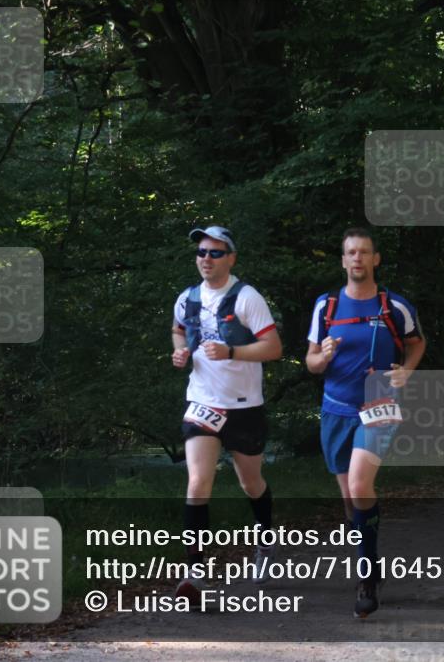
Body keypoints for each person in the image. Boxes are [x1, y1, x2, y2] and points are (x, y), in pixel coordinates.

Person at [305, 227, 425, 618]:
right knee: (350, 501)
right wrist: (321, 356)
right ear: (343, 260)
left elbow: (416, 342)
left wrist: (407, 370)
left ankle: (367, 575)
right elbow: (310, 362)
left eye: (364, 252)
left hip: (379, 405)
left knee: (360, 484)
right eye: (350, 252)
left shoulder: (395, 306)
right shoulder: (326, 306)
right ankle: (367, 549)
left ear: (375, 260)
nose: (357, 258)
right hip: (336, 409)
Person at [170, 226, 283, 604]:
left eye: (216, 253)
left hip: (244, 405)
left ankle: (266, 544)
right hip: (202, 402)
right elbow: (177, 330)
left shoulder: (247, 297)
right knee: (198, 482)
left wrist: (233, 353)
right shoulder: (187, 298)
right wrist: (181, 351)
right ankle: (194, 573)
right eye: (201, 252)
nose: (206, 258)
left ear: (231, 258)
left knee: (251, 484)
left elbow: (274, 348)